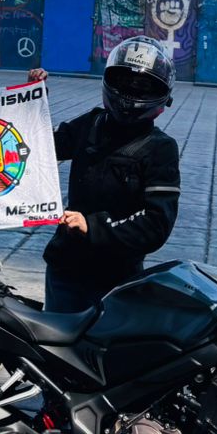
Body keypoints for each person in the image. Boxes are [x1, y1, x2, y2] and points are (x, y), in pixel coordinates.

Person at [40, 37, 181, 313]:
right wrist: (33, 98)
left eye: (143, 86)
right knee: (53, 335)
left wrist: (92, 227)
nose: (132, 92)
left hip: (117, 276)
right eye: (125, 81)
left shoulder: (160, 148)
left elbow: (156, 224)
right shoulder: (92, 123)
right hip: (66, 265)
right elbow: (41, 147)